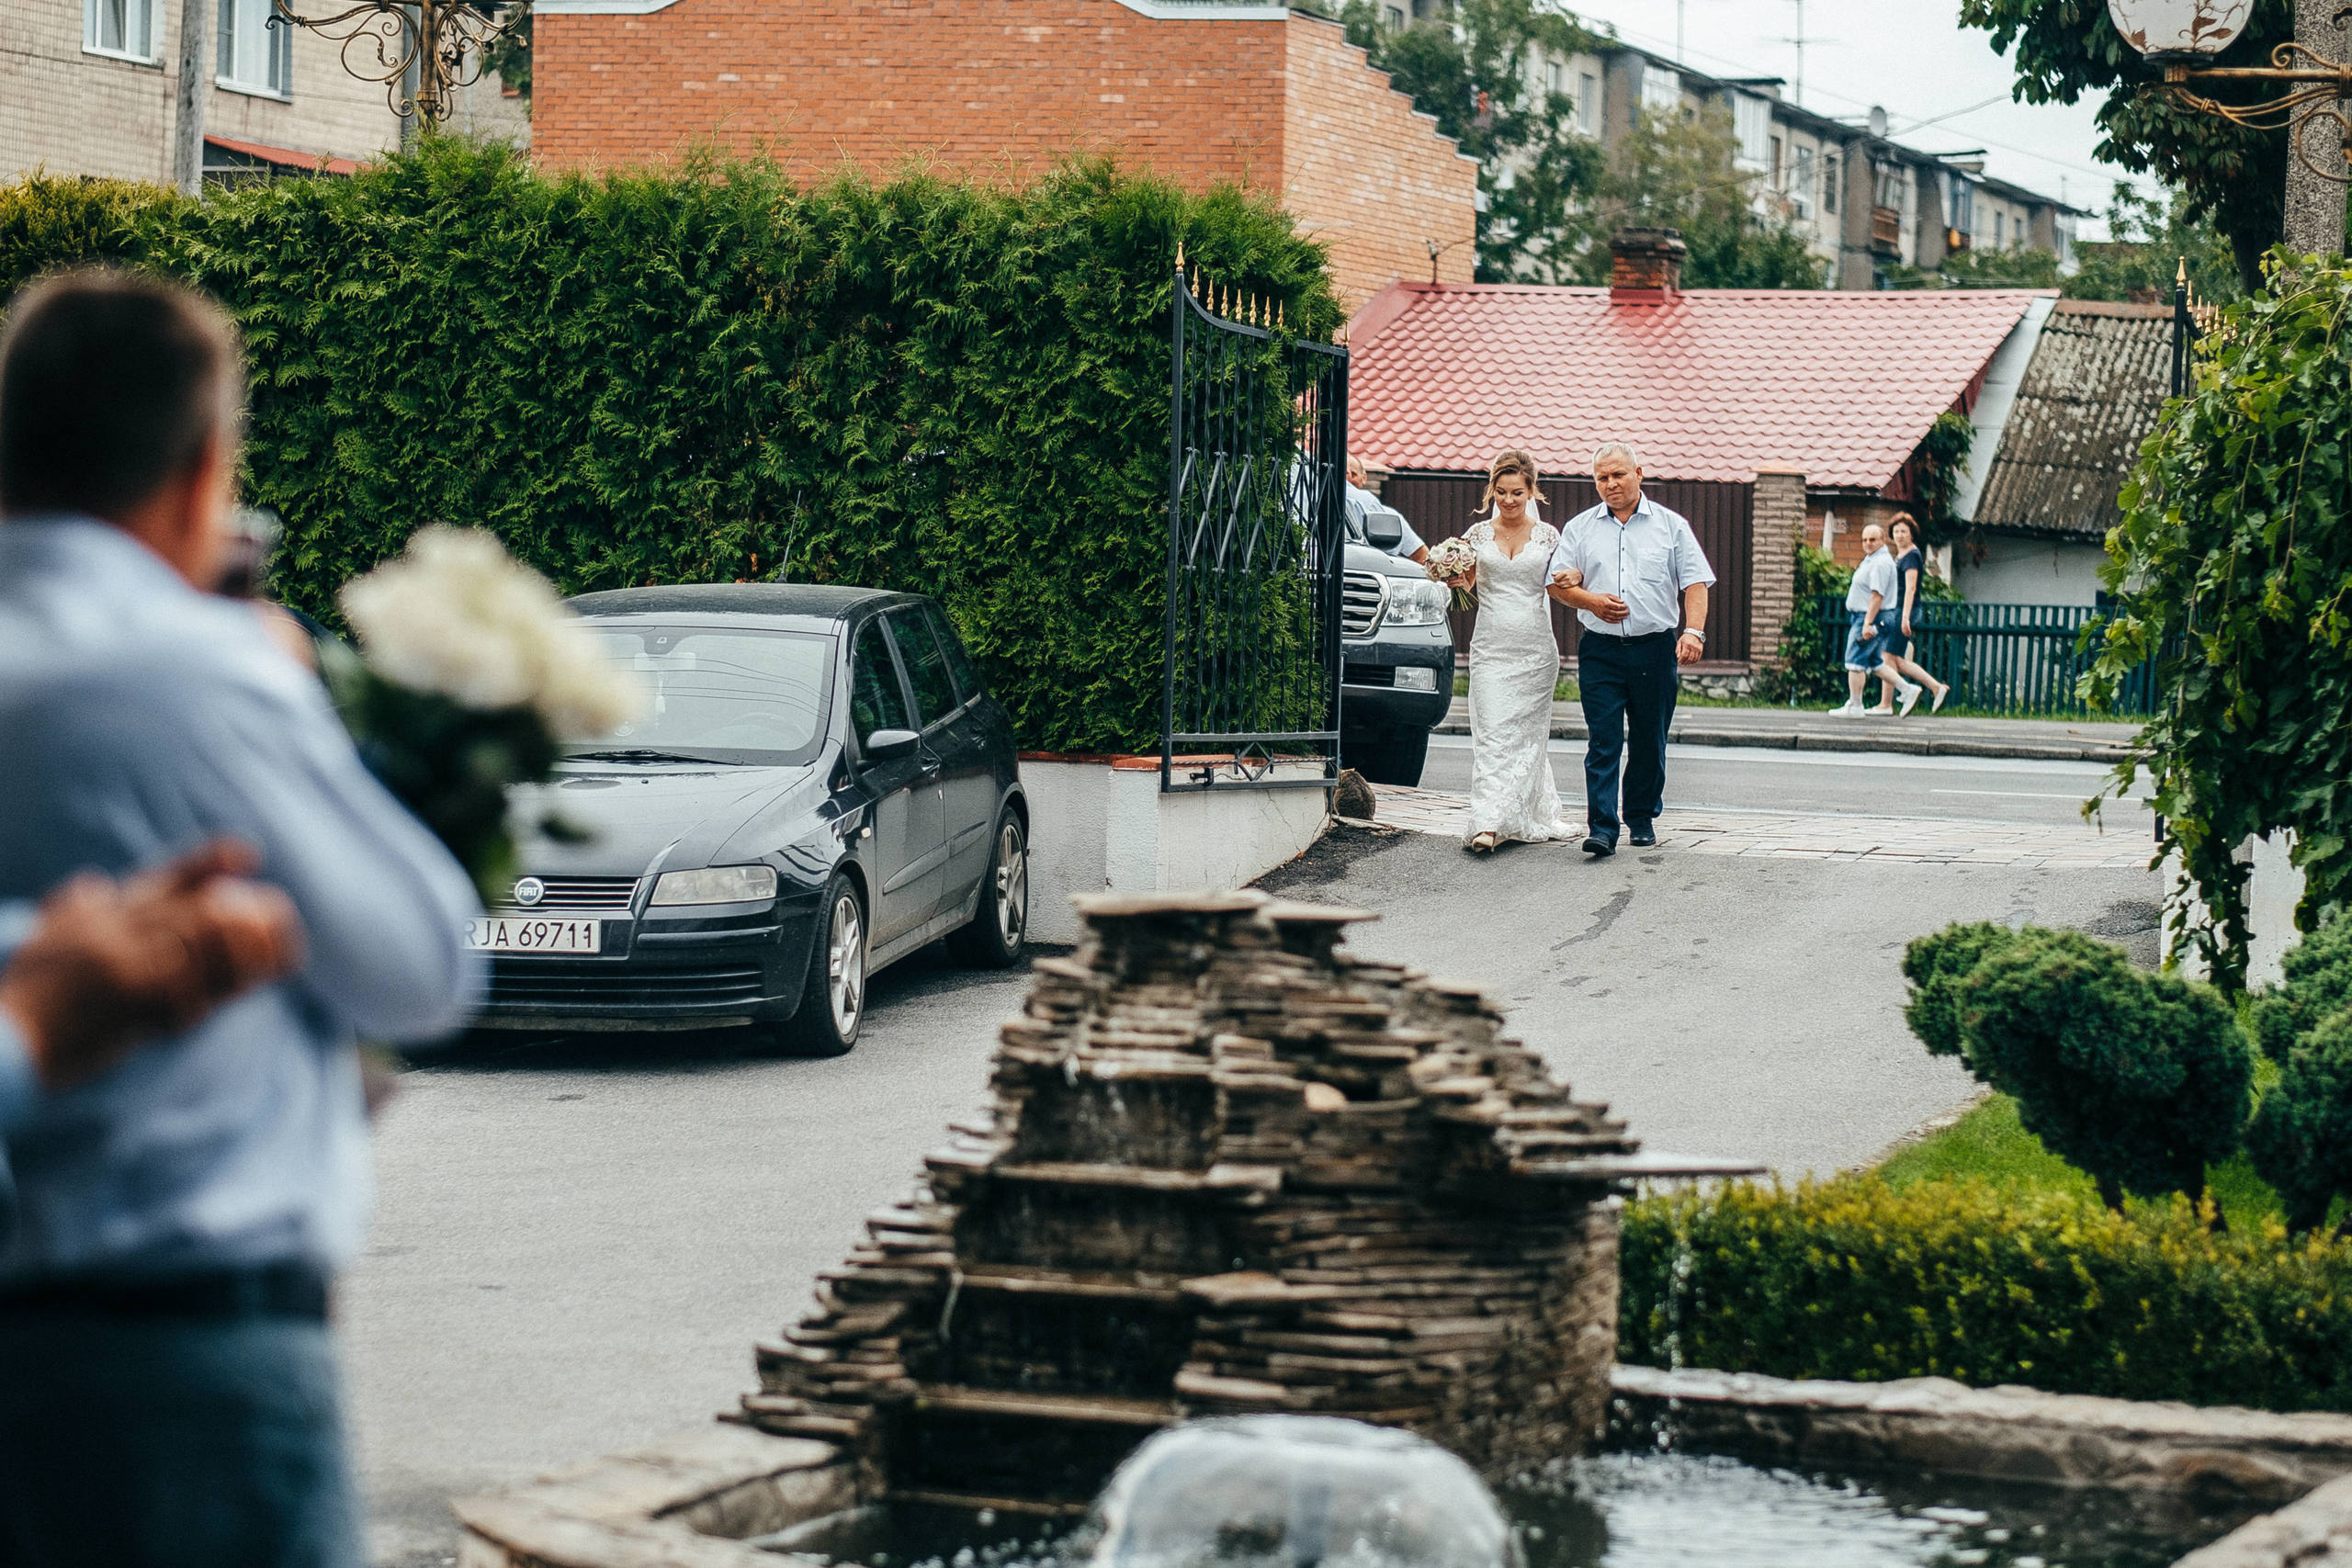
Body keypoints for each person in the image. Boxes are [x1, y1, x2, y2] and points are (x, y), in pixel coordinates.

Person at [0, 268, 483, 1568]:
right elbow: (424, 965)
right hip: (184, 1368)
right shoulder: (197, 667)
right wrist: (299, 696)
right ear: (202, 472)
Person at [1546, 443, 1714, 857]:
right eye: (1602, 477)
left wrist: (1693, 632)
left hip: (1654, 649)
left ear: (1638, 474)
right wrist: (1591, 602)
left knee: (1649, 739)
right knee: (1603, 740)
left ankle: (1640, 817)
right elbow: (1557, 584)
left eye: (1618, 474)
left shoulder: (1671, 527)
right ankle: (1602, 828)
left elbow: (1695, 582)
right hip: (1600, 650)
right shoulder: (1580, 528)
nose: (1610, 484)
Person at [1438, 450, 1572, 852]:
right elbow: (1467, 584)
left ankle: (1509, 816)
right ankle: (1488, 821)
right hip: (1491, 649)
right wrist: (1453, 578)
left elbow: (1560, 584)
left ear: (1531, 491)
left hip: (1536, 652)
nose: (1509, 500)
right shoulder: (1477, 536)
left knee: (1527, 740)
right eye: (1501, 492)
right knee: (1493, 736)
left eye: (1517, 492)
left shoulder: (1549, 536)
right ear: (1491, 492)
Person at [1828, 522, 1922, 718]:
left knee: (1854, 661)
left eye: (1872, 539)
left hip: (1871, 617)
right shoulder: (1873, 559)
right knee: (1874, 662)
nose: (1867, 543)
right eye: (1864, 540)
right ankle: (1907, 690)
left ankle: (1855, 705)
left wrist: (1867, 623)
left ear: (1882, 540)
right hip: (1870, 616)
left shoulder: (1880, 563)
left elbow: (1877, 596)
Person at [1870, 514, 1951, 716]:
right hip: (1898, 610)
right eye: (1896, 531)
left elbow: (1911, 588)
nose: (1899, 535)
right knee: (1894, 659)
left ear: (1912, 534)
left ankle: (1887, 704)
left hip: (1904, 611)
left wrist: (1905, 617)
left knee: (1888, 657)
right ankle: (1935, 688)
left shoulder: (1912, 556)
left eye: (1904, 531)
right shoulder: (1901, 554)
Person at [1343, 456, 1430, 566]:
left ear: (1364, 477)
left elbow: (1421, 555)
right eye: (1346, 473)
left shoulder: (1389, 515)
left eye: (1353, 474)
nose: (1349, 480)